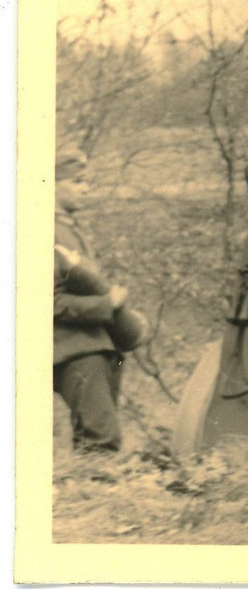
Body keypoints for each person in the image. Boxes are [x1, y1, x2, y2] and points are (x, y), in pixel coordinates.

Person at [53, 147, 142, 453]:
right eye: (77, 181)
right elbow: (48, 303)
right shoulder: (47, 231)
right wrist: (108, 305)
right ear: (52, 184)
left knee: (93, 444)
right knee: (101, 443)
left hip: (91, 346)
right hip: (72, 350)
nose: (86, 188)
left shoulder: (67, 229)